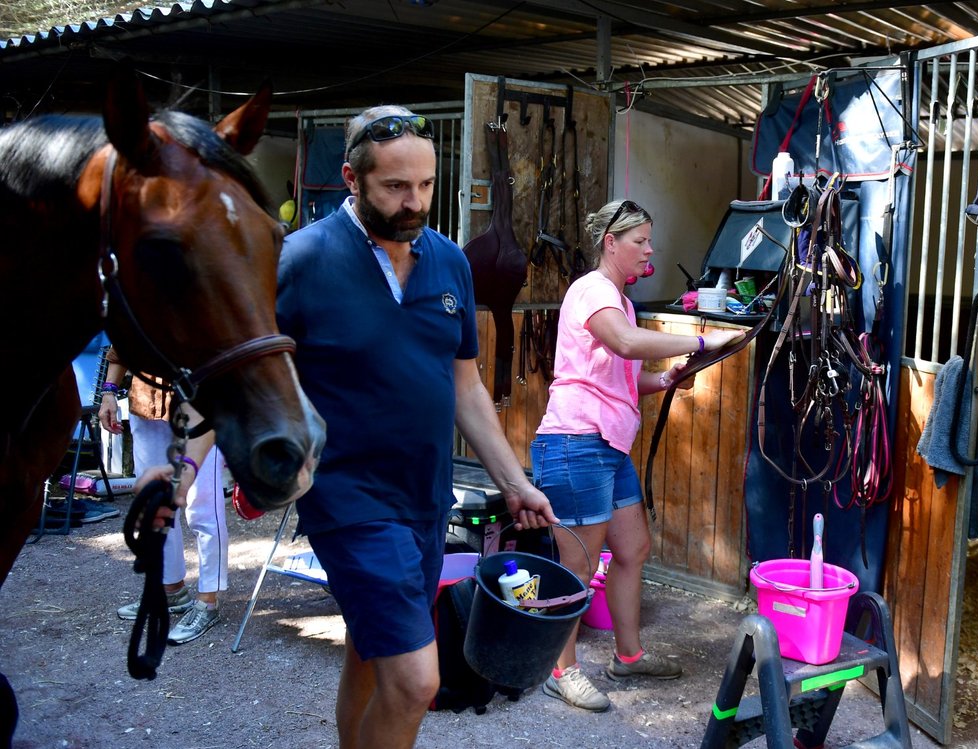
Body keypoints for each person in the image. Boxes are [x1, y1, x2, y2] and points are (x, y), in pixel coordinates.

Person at [276, 105, 559, 749]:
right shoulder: (301, 260)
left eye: (427, 186)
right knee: (415, 681)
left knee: (368, 654)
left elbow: (465, 387)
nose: (415, 202)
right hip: (347, 499)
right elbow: (245, 373)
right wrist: (183, 469)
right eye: (395, 187)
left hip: (425, 499)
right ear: (351, 177)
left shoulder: (449, 262)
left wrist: (513, 481)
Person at [530, 199, 746, 712]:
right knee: (577, 567)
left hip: (607, 446)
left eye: (649, 240)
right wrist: (699, 336)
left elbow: (625, 377)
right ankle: (562, 670)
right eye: (640, 240)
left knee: (632, 549)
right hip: (574, 443)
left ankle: (627, 656)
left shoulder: (622, 304)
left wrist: (668, 378)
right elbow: (626, 345)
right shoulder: (591, 291)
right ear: (611, 242)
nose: (650, 249)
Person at [98, 350, 229, 645]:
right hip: (146, 403)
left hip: (200, 403)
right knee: (156, 501)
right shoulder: (137, 303)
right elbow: (121, 346)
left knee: (203, 507)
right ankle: (172, 590)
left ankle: (208, 600)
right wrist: (108, 393)